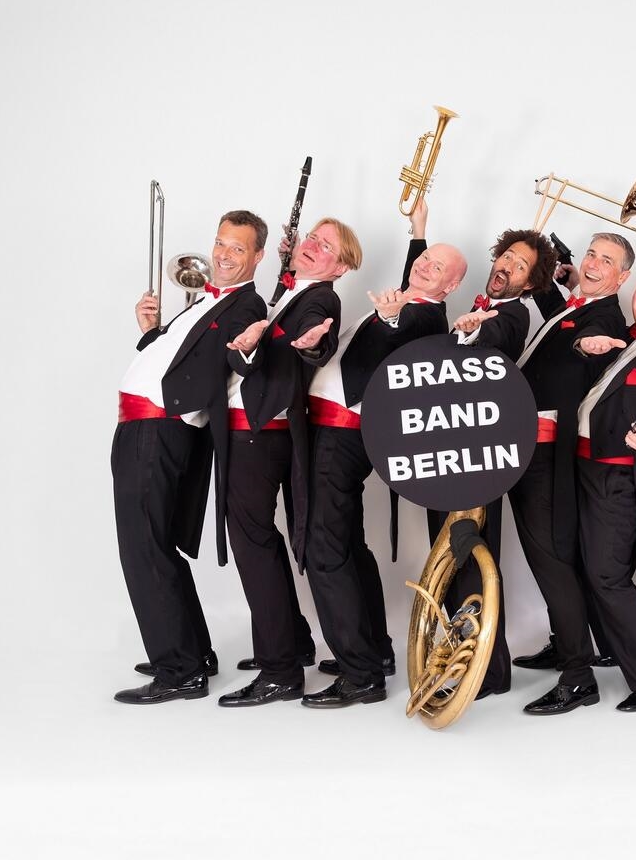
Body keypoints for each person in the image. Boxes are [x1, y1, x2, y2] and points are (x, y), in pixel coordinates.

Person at [280, 203, 466, 709]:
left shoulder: (425, 316)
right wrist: (420, 232)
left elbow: (404, 335)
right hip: (330, 432)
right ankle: (375, 652)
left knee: (324, 550)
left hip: (343, 436)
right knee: (346, 545)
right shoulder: (413, 293)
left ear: (449, 289)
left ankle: (361, 674)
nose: (425, 268)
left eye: (438, 270)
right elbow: (418, 273)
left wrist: (386, 318)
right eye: (424, 262)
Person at [524, 265, 636, 714]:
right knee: (584, 567)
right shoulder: (629, 338)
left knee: (607, 576)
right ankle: (594, 654)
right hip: (583, 466)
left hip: (619, 479)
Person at [113, 210, 269, 704]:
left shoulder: (246, 305)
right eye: (220, 243)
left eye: (237, 248)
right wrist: (150, 335)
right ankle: (193, 651)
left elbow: (224, 364)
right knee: (157, 543)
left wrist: (177, 410)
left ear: (258, 257)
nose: (222, 254)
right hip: (150, 426)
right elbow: (180, 357)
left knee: (144, 548)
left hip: (159, 428)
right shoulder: (206, 302)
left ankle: (177, 670)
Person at [212, 218, 355, 707]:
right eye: (311, 237)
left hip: (260, 433)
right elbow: (254, 357)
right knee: (259, 540)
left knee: (253, 545)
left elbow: (317, 343)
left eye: (326, 245)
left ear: (342, 264)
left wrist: (312, 343)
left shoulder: (321, 299)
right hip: (250, 430)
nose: (314, 246)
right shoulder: (292, 291)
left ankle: (280, 671)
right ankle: (290, 643)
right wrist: (251, 344)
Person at [429, 228, 560, 699]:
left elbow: (498, 336)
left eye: (520, 265)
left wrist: (475, 328)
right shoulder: (486, 303)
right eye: (505, 256)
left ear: (529, 283)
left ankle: (484, 670)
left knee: (469, 560)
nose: (506, 265)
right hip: (455, 453)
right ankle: (476, 662)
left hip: (478, 459)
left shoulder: (514, 314)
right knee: (448, 557)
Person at [507, 233, 632, 677]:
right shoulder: (575, 304)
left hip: (548, 452)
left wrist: (589, 344)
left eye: (608, 260)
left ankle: (578, 672)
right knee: (551, 554)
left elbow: (594, 339)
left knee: (551, 556)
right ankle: (567, 643)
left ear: (623, 276)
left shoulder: (606, 319)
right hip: (530, 443)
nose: (595, 264)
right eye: (592, 255)